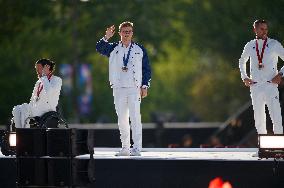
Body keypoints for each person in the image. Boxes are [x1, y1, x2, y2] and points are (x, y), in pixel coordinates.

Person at [96, 21, 151, 156]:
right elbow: (99, 48)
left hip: (134, 88)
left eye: (129, 31)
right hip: (119, 87)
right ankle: (125, 148)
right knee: (122, 119)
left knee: (135, 118)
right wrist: (106, 36)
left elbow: (146, 69)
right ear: (120, 33)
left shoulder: (139, 49)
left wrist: (145, 86)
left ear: (132, 33)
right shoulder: (113, 48)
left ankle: (137, 148)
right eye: (124, 31)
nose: (127, 34)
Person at [239, 19, 284, 135]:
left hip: (270, 85)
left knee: (276, 116)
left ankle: (280, 148)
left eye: (266, 29)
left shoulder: (274, 44)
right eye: (261, 29)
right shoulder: (250, 45)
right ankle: (261, 148)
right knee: (259, 118)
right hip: (255, 86)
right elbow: (242, 61)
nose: (265, 31)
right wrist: (244, 77)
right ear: (255, 29)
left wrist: (280, 74)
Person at [12, 58, 62, 128]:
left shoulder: (57, 80)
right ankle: (19, 132)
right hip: (36, 110)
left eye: (39, 69)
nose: (37, 71)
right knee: (16, 109)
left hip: (47, 111)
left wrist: (44, 77)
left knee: (25, 107)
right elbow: (32, 100)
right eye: (36, 69)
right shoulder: (39, 82)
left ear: (47, 68)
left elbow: (49, 92)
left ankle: (25, 132)